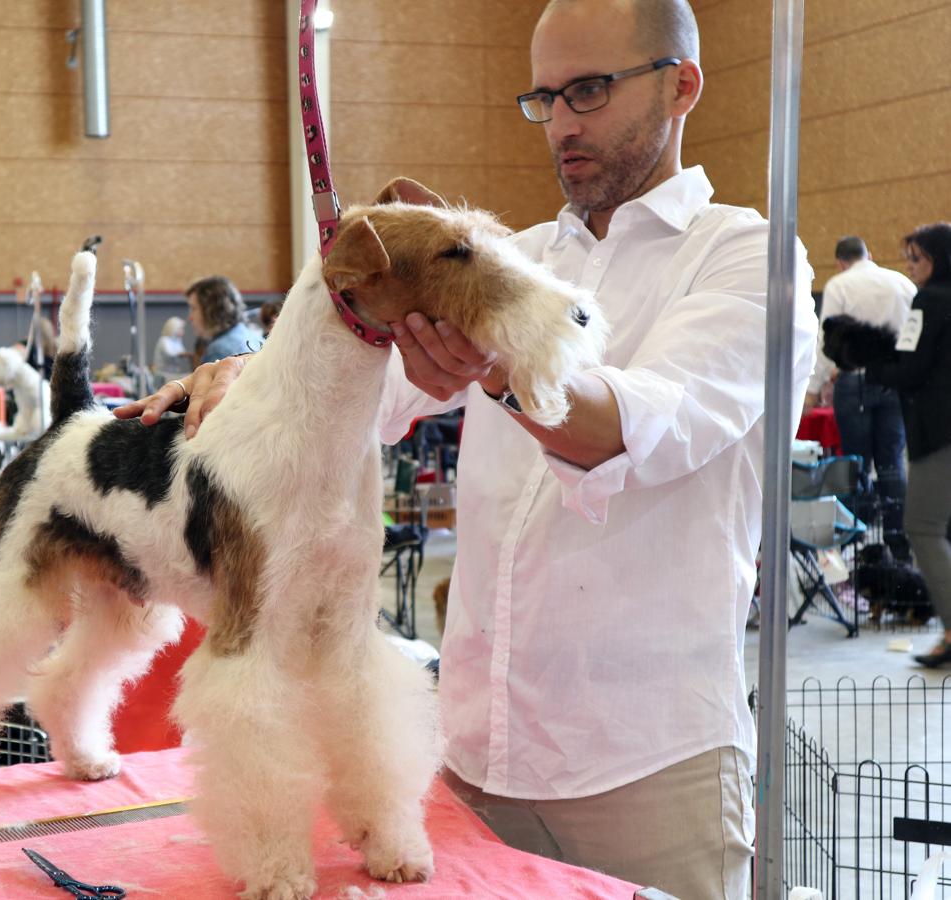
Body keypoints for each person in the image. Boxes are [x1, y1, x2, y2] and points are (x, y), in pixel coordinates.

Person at [117, 1, 817, 896]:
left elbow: (644, 425)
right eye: (544, 98)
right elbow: (354, 394)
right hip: (472, 763)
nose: (562, 124)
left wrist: (498, 366)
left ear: (682, 85)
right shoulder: (509, 255)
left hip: (647, 773)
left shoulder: (750, 259)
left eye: (590, 91)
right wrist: (247, 371)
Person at [853, 223, 951, 668]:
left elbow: (910, 372)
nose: (910, 269)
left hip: (938, 435)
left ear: (938, 260)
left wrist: (868, 365)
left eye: (917, 260)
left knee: (922, 527)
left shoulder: (928, 302)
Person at [806, 235, 917, 551]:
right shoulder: (901, 283)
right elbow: (915, 333)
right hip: (895, 381)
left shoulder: (839, 286)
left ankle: (855, 543)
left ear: (841, 262)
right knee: (892, 462)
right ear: (870, 254)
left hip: (854, 381)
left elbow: (827, 342)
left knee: (854, 462)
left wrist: (813, 389)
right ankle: (898, 544)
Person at [185, 276, 264, 364]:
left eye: (193, 308)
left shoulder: (218, 350)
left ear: (211, 309)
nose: (190, 317)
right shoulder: (254, 336)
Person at [152, 317, 192, 383]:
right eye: (181, 329)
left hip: (173, 374)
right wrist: (184, 354)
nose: (183, 331)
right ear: (174, 328)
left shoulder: (177, 340)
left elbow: (183, 353)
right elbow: (170, 354)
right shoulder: (164, 340)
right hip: (163, 375)